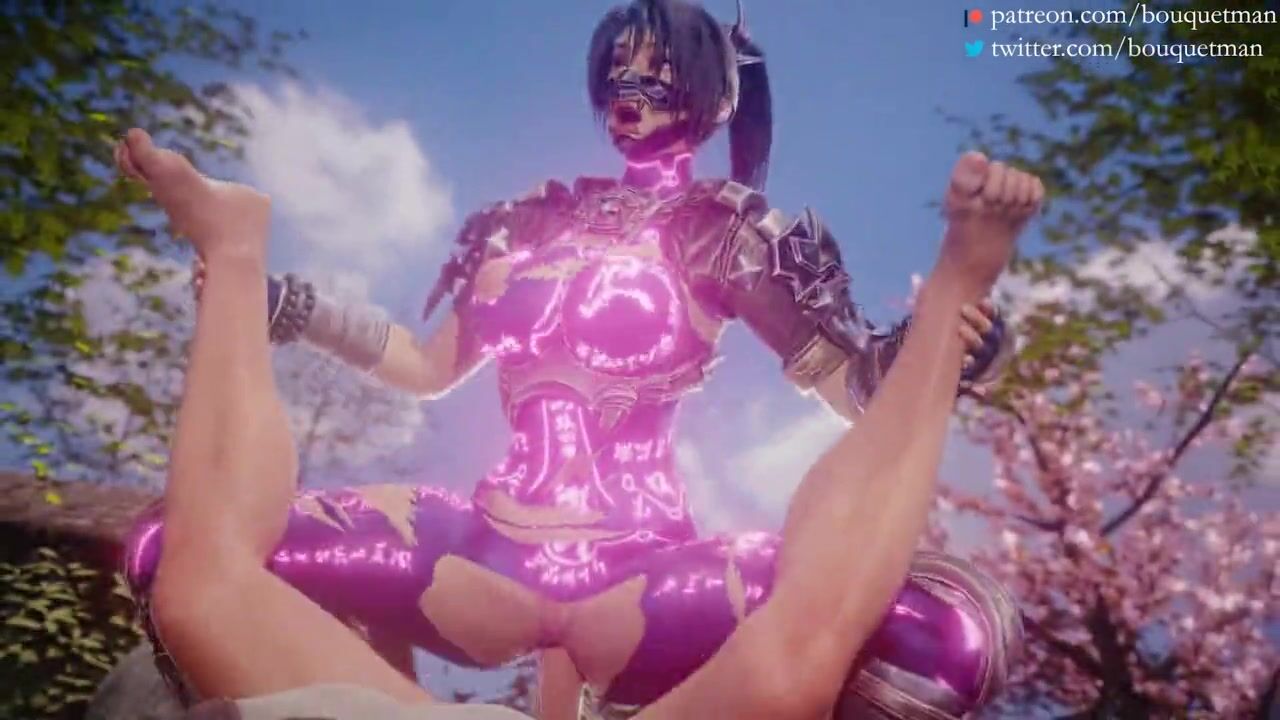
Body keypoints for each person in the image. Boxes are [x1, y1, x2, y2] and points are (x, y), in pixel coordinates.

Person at [124, 1, 1022, 717]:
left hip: (640, 573)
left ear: (711, 92)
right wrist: (289, 306)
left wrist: (947, 344)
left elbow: (857, 385)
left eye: (658, 67)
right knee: (174, 545)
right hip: (478, 545)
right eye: (619, 66)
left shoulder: (726, 232)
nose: (631, 83)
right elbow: (428, 367)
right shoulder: (525, 222)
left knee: (937, 637)